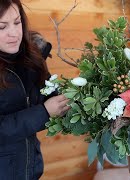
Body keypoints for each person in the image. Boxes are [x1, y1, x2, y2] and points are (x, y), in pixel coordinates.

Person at [0, 0, 70, 179]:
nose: (14, 33)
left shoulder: (30, 57)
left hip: (30, 170)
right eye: (2, 27)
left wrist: (78, 95)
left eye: (17, 22)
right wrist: (45, 112)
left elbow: (48, 92)